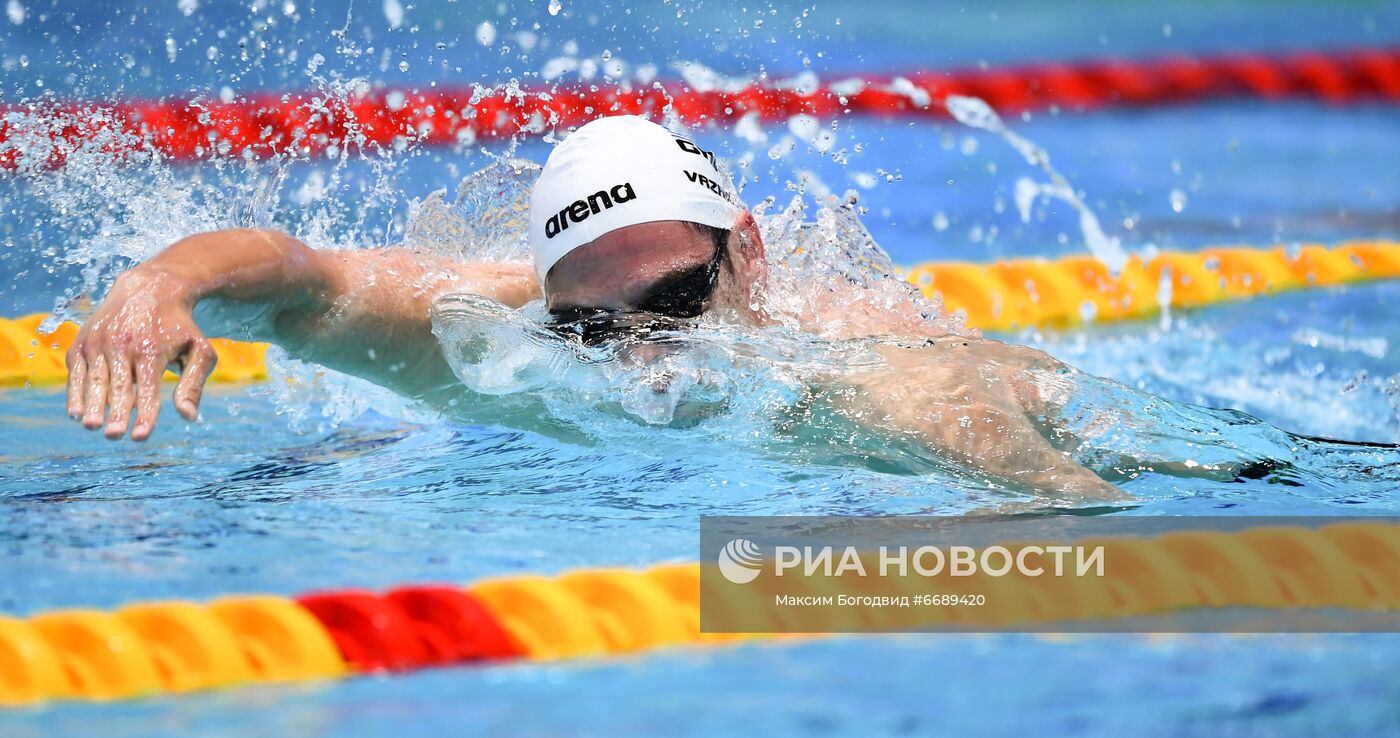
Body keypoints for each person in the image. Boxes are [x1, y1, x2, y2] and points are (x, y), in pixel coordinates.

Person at [66, 115, 1147, 500]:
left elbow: (1076, 516)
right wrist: (158, 286)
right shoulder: (491, 334)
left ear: (748, 253)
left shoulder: (868, 373)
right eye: (591, 326)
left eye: (679, 296)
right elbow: (304, 278)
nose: (647, 357)